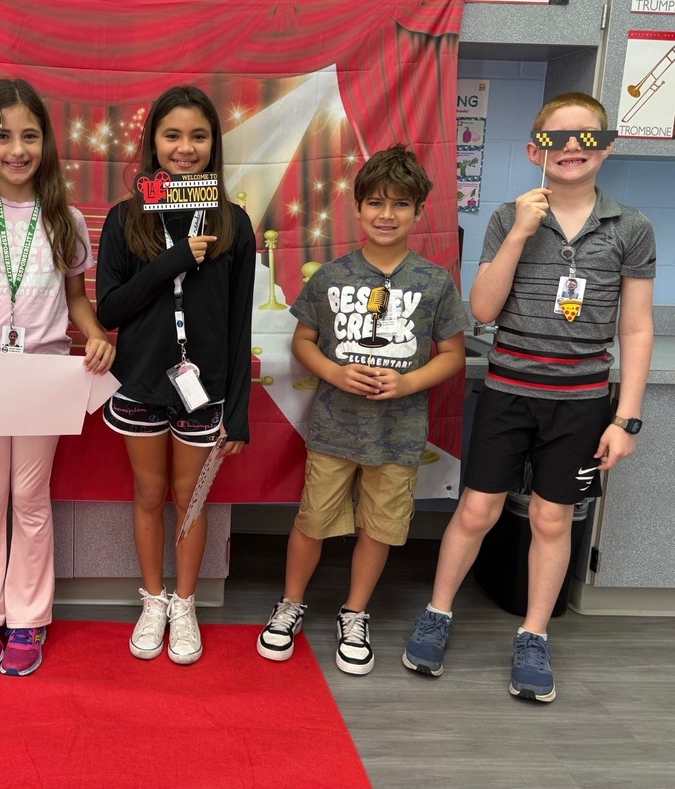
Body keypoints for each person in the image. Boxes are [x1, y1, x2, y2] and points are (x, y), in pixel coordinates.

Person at [403, 92, 655, 702]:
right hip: (508, 392)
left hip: (582, 402)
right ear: (534, 149)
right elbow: (482, 309)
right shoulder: (507, 217)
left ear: (606, 146)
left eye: (587, 137)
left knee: (551, 518)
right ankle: (438, 613)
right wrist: (518, 231)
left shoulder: (630, 227)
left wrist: (627, 420)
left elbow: (637, 327)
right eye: (557, 138)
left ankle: (534, 634)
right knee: (477, 510)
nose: (572, 148)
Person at [255, 144, 467, 674]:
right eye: (376, 202)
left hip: (398, 435)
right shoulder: (330, 275)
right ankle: (291, 604)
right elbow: (303, 342)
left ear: (418, 212)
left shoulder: (435, 282)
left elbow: (454, 357)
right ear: (357, 208)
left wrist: (409, 381)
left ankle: (355, 612)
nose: (386, 214)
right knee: (313, 519)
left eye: (400, 205)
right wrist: (333, 371)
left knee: (379, 525)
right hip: (333, 429)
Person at [0, 78, 114, 677]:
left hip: (42, 376)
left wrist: (94, 336)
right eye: (2, 135)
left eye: (29, 136)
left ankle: (29, 618)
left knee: (31, 500)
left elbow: (76, 299)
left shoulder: (64, 217)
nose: (17, 149)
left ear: (46, 144)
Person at [96, 85, 255, 665]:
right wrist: (174, 259)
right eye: (172, 135)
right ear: (152, 144)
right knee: (147, 495)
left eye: (198, 136)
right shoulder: (124, 219)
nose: (184, 148)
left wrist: (236, 410)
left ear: (213, 145)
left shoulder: (233, 222)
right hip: (140, 384)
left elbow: (240, 327)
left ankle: (184, 603)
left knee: (190, 499)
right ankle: (153, 600)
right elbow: (110, 310)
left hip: (203, 390)